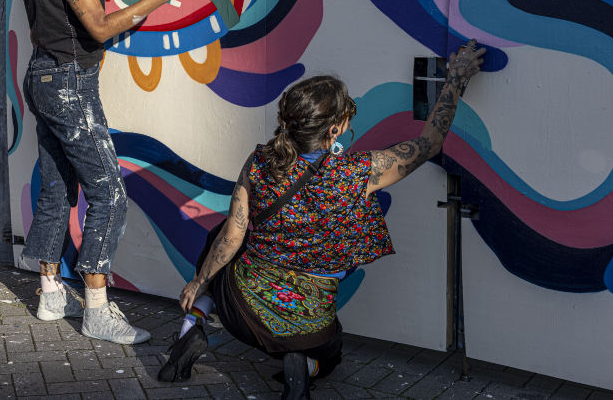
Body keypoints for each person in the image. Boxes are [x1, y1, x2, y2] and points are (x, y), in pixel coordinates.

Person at [159, 41, 486, 398]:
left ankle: (193, 325)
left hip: (244, 313)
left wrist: (197, 283)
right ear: (334, 130)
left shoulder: (259, 163)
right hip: (310, 328)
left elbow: (231, 240)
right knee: (330, 354)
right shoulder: (356, 172)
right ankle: (303, 365)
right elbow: (430, 143)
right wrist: (455, 79)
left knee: (219, 236)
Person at [17, 0, 195, 344]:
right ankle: (96, 308)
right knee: (109, 194)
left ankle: (51, 293)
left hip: (44, 77)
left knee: (58, 187)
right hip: (69, 84)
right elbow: (97, 26)